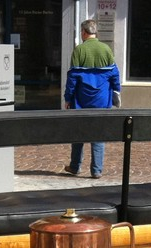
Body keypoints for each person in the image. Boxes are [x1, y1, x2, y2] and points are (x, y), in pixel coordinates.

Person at [63, 19, 120, 180]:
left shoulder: (79, 50)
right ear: (96, 32)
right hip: (102, 99)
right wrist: (116, 91)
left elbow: (72, 79)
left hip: (80, 101)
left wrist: (68, 98)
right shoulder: (106, 49)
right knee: (98, 135)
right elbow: (114, 74)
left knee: (78, 134)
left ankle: (75, 166)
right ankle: (96, 170)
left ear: (83, 32)